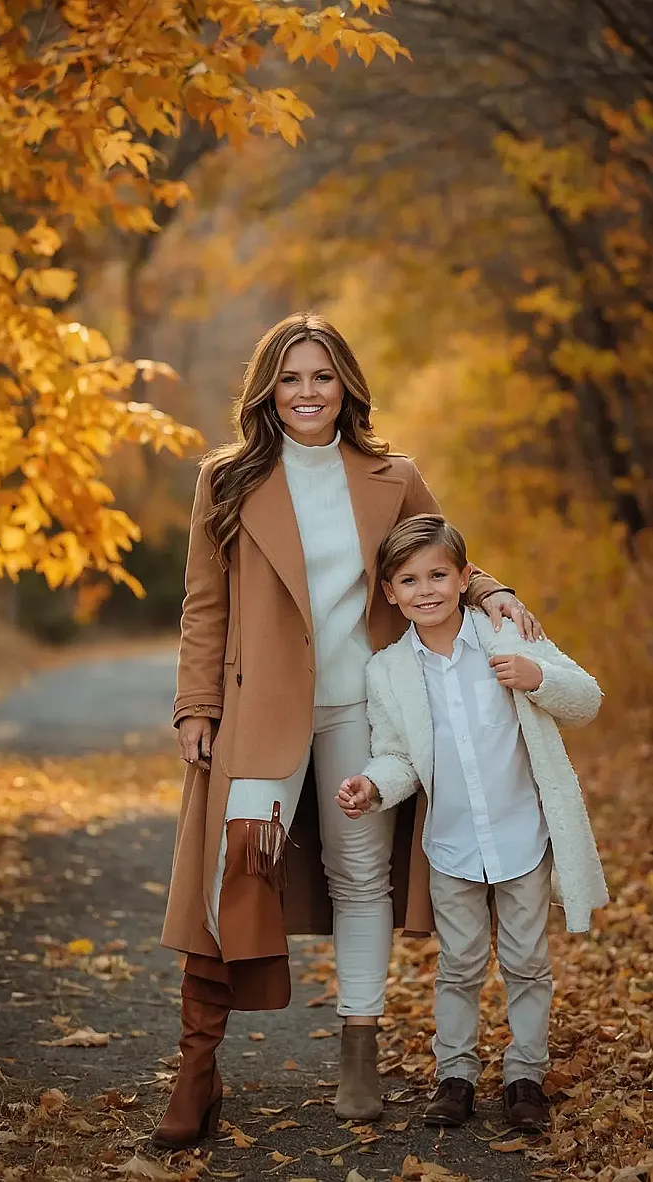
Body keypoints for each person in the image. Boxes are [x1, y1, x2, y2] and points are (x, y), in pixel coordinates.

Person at [154, 313, 542, 1150]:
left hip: (366, 705)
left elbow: (443, 556)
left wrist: (496, 593)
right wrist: (195, 705)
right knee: (236, 869)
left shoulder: (389, 475)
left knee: (359, 874)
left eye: (321, 377)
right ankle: (198, 1068)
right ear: (268, 389)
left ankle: (358, 1051)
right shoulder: (224, 480)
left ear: (346, 388)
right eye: (290, 378)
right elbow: (204, 604)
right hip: (259, 705)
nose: (305, 393)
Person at [337, 513, 609, 1132]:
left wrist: (537, 678)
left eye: (438, 574)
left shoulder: (505, 634)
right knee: (458, 965)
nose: (425, 590)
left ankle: (525, 1079)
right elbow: (399, 756)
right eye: (408, 580)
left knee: (526, 962)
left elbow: (586, 698)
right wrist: (372, 783)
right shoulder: (387, 671)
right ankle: (455, 1075)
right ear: (390, 593)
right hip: (452, 845)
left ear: (465, 579)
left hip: (522, 838)